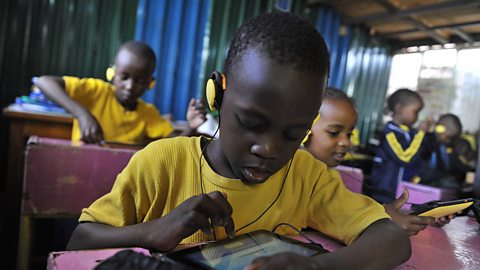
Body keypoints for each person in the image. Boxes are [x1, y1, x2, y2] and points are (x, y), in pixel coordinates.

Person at [67, 12, 410, 269]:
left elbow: (393, 239)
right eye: (251, 122)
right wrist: (151, 232)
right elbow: (78, 241)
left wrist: (315, 266)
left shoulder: (307, 176)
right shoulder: (162, 163)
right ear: (217, 94)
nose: (269, 149)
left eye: (294, 133)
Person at [303, 88, 452, 236]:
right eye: (334, 133)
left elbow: (350, 208)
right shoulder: (299, 173)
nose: (346, 143)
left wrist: (419, 218)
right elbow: (332, 217)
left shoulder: (330, 176)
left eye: (349, 134)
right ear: (304, 131)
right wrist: (383, 221)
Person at [34, 41, 206, 145]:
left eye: (139, 81)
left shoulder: (148, 114)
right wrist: (82, 114)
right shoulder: (96, 91)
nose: (130, 86)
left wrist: (191, 127)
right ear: (112, 74)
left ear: (150, 83)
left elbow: (173, 144)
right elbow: (43, 81)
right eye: (124, 77)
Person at [370, 88, 432, 204]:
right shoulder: (390, 133)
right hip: (386, 193)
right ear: (400, 108)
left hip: (401, 191)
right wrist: (420, 134)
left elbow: (422, 153)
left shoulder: (409, 132)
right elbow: (404, 158)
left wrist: (424, 134)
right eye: (415, 112)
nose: (417, 117)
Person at [419, 113, 468, 190]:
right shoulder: (426, 142)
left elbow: (454, 165)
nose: (449, 141)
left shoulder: (444, 146)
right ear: (440, 128)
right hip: (424, 185)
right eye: (448, 137)